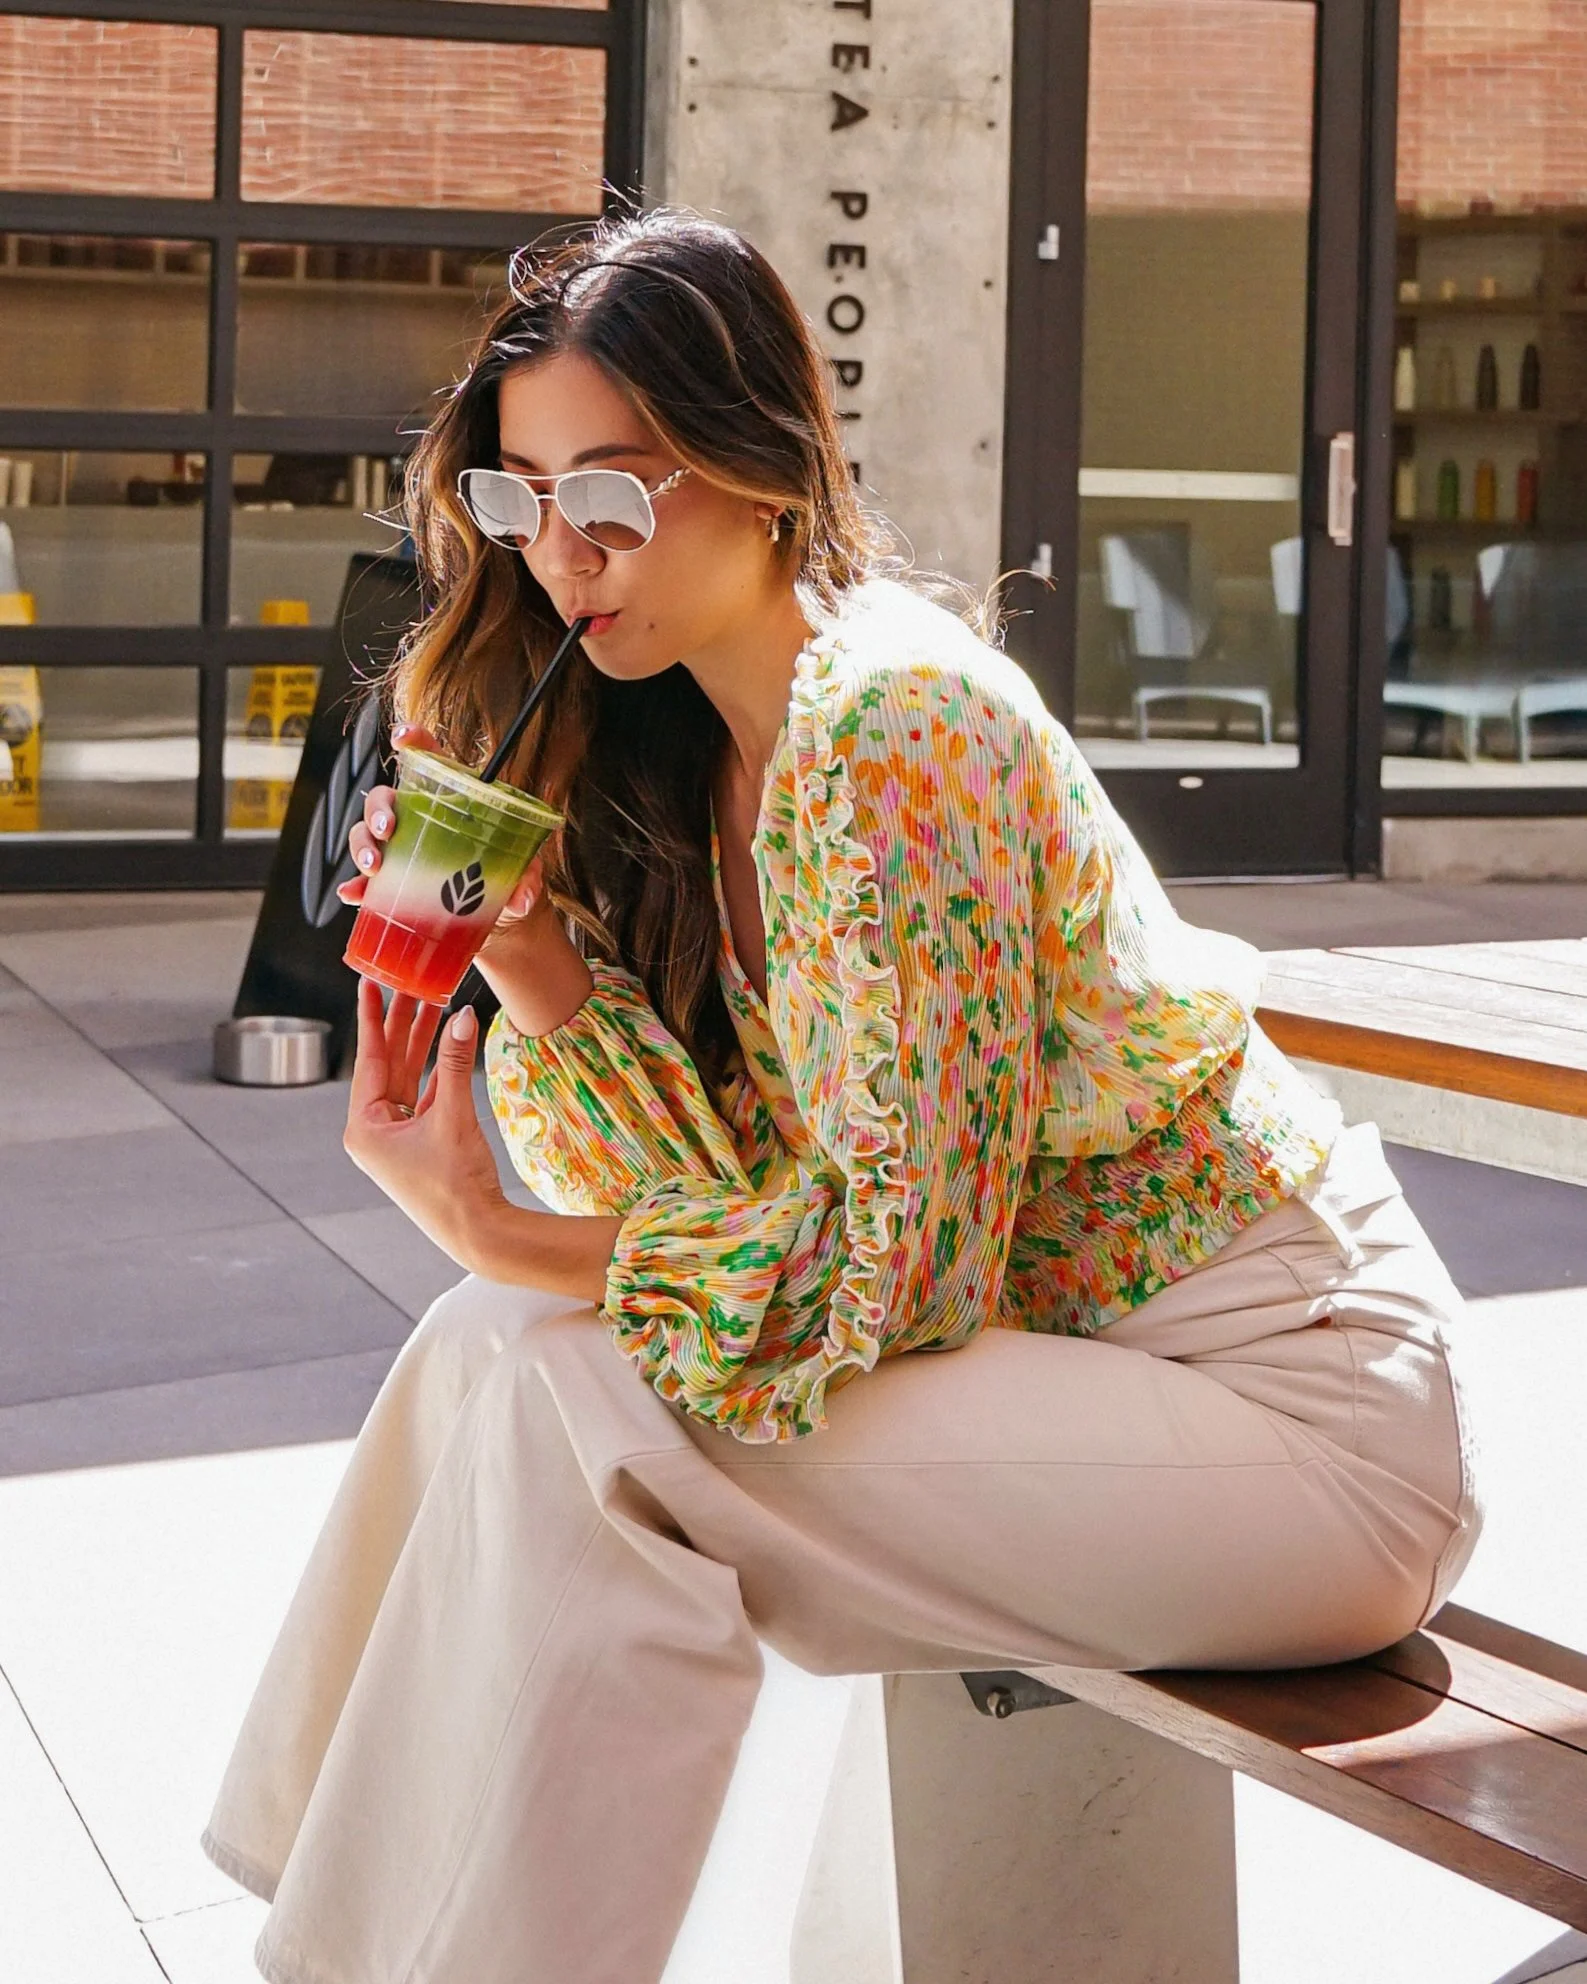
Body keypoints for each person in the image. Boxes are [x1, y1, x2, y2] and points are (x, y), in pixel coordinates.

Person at [201, 209, 1483, 1984]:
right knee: (499, 1347)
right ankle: (351, 1941)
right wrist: (535, 971)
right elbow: (741, 1194)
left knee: (576, 1393)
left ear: (762, 462)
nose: (562, 554)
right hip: (1065, 1386)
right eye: (520, 498)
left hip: (1293, 1428)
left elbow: (892, 1273)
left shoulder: (890, 721)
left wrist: (498, 1219)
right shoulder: (705, 752)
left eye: (615, 494)